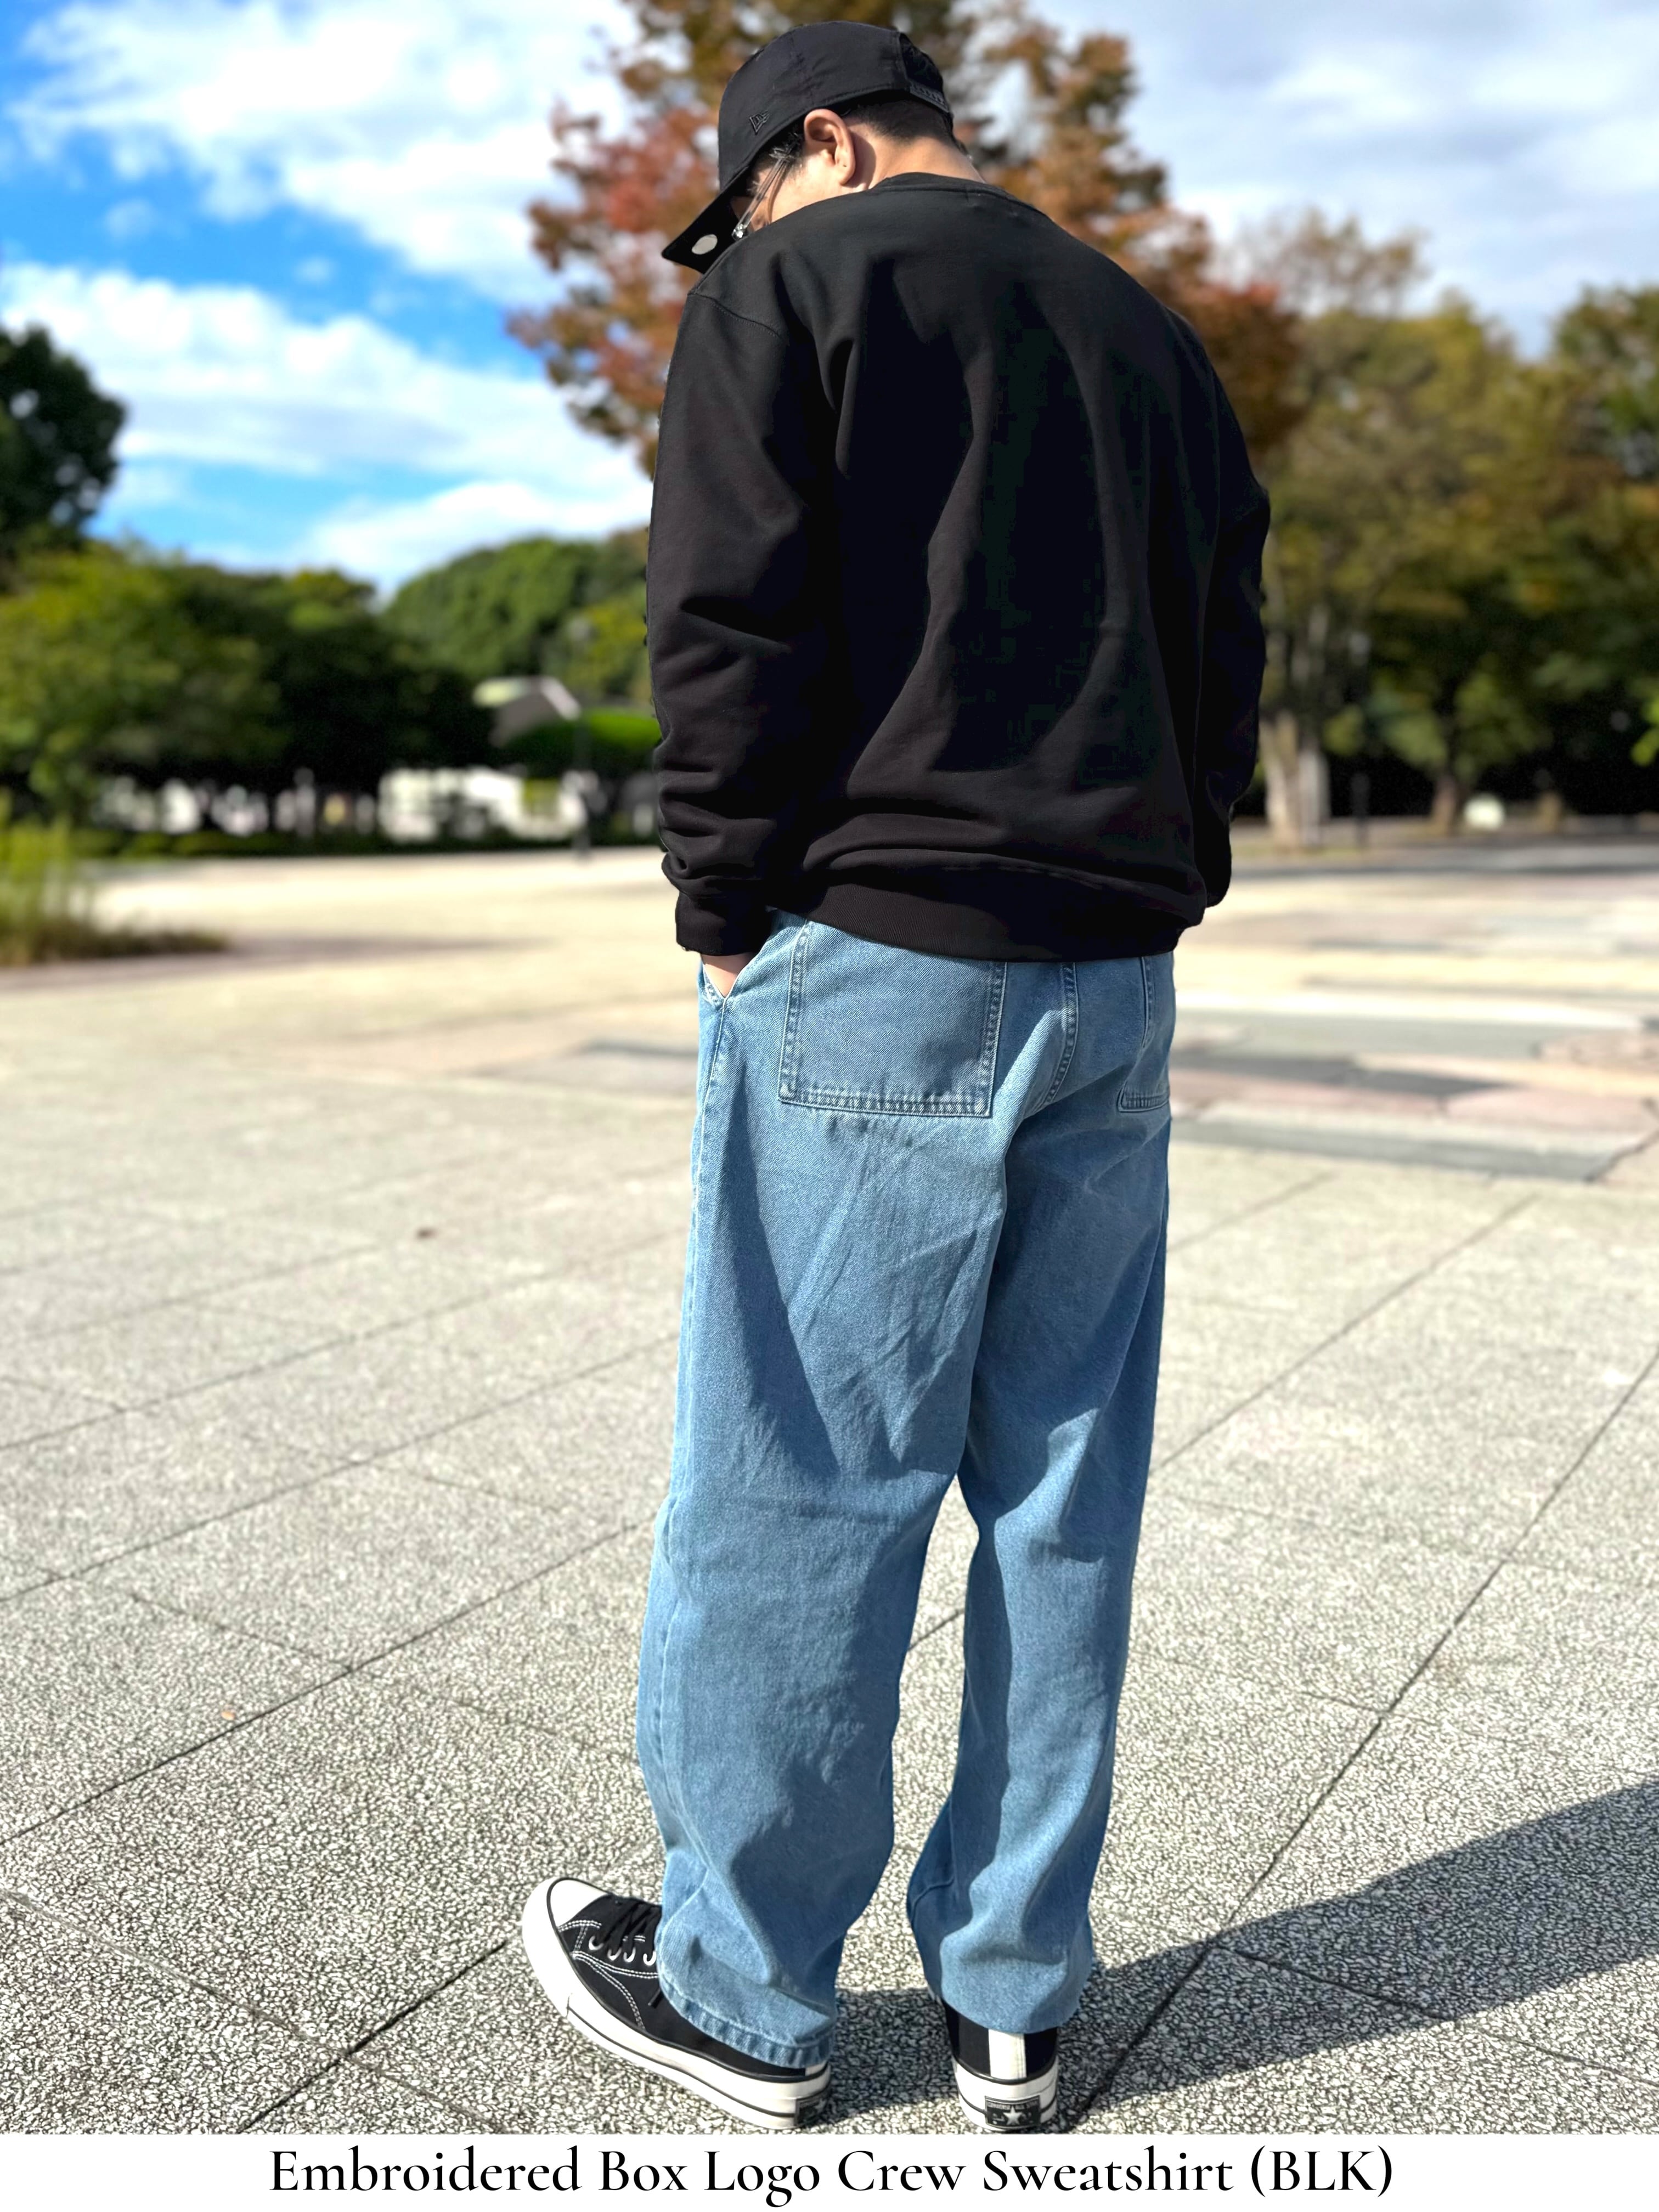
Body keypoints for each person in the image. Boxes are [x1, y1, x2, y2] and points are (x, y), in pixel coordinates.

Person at [522, 18, 1268, 2135]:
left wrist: (722, 905)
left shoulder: (796, 288)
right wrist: (1173, 871)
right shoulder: (1152, 336)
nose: (743, 231)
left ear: (825, 144)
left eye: (750, 191)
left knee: (801, 1475)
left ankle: (744, 1997)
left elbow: (726, 620)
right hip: (1111, 973)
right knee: (1062, 1488)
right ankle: (1014, 2002)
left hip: (880, 955)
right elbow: (1226, 641)